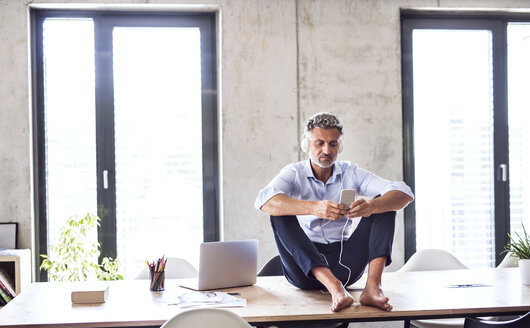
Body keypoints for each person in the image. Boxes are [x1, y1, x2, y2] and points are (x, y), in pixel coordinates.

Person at [255, 112, 414, 312]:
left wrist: (372, 207)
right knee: (278, 213)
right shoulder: (294, 173)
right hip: (304, 269)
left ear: (340, 145)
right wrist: (313, 208)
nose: (326, 150)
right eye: (319, 143)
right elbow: (264, 200)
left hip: (345, 264)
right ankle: (334, 287)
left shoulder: (351, 172)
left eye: (333, 144)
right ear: (307, 145)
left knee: (385, 205)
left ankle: (373, 287)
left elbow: (404, 193)